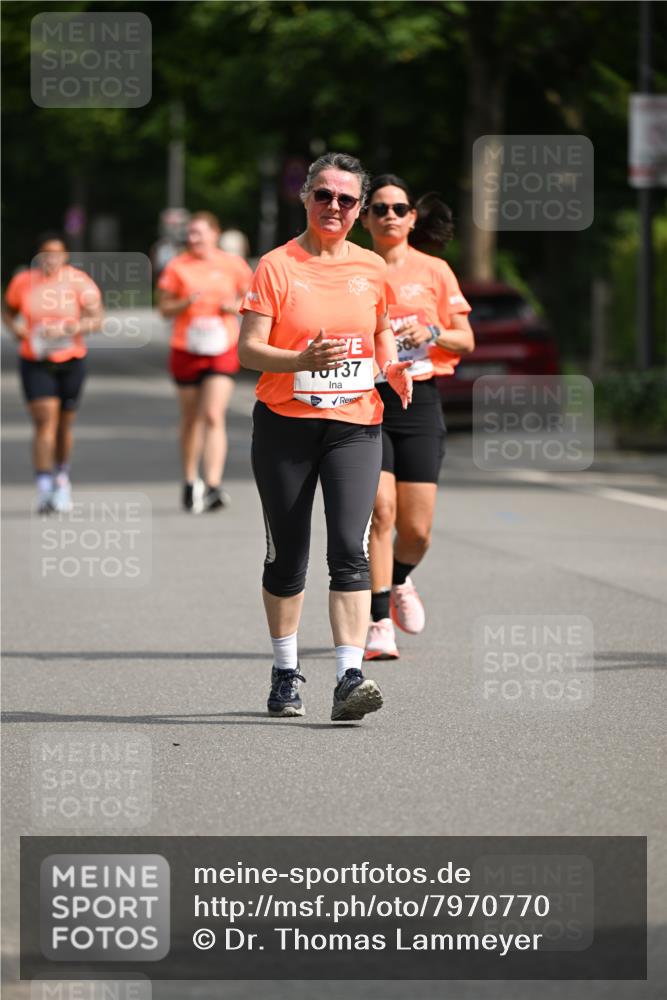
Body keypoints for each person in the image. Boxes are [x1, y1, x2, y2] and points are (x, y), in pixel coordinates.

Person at [238, 152, 413, 722]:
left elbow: (382, 331)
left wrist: (395, 366)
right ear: (306, 198)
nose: (333, 206)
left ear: (359, 208)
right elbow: (247, 349)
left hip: (356, 426)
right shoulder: (276, 266)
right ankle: (285, 671)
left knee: (350, 550)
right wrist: (300, 359)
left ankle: (348, 678)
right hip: (284, 426)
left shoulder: (371, 268)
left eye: (345, 199)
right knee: (287, 558)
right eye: (323, 195)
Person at [360, 175, 475, 660]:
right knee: (381, 512)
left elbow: (464, 340)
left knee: (418, 530)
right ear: (364, 217)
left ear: (411, 218)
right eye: (379, 207)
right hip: (369, 397)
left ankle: (401, 580)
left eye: (398, 208)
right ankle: (378, 621)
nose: (389, 215)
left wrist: (429, 329)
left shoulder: (435, 271)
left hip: (420, 401)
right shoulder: (352, 268)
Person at [157, 211, 253, 512]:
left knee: (213, 414)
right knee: (191, 418)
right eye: (191, 233)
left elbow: (252, 301)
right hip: (186, 347)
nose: (194, 238)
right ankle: (189, 480)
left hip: (221, 346)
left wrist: (233, 307)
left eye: (200, 232)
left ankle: (212, 485)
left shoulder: (232, 264)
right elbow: (163, 308)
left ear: (215, 234)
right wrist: (184, 303)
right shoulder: (177, 266)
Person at [3, 233, 103, 513]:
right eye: (45, 253)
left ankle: (61, 477)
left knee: (63, 425)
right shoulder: (24, 281)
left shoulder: (79, 282)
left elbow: (97, 319)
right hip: (35, 358)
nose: (51, 259)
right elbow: (8, 309)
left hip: (70, 358)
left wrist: (69, 328)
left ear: (65, 255)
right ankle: (44, 485)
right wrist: (16, 329)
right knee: (45, 419)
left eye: (56, 253)